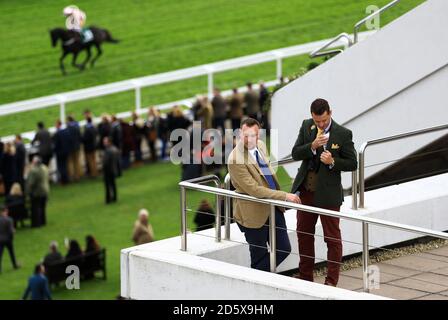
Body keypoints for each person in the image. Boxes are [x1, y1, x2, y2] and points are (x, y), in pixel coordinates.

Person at [291, 98, 357, 287]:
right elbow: (296, 153)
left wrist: (333, 162)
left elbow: (353, 163)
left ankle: (331, 281)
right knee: (303, 234)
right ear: (312, 116)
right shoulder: (306, 126)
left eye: (323, 121)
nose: (320, 124)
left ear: (330, 113)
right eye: (316, 121)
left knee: (332, 238)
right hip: (306, 192)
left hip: (329, 195)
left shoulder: (343, 133)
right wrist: (311, 146)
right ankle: (306, 278)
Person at [227, 118, 300, 272]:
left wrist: (278, 198)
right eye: (245, 135)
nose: (249, 139)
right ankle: (257, 282)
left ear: (258, 135)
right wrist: (284, 196)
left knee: (284, 249)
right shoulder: (235, 159)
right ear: (240, 133)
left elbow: (267, 176)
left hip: (273, 207)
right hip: (253, 214)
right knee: (259, 256)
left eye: (252, 135)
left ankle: (259, 277)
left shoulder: (260, 146)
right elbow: (254, 189)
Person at [26, 156, 50, 227]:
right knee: (43, 207)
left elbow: (31, 183)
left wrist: (28, 192)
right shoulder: (44, 167)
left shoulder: (34, 171)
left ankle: (36, 224)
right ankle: (43, 221)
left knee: (35, 208)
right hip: (45, 190)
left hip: (37, 192)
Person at [0, 205, 20, 273]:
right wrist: (13, 234)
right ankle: (15, 265)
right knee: (11, 253)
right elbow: (11, 231)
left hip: (0, 240)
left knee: (0, 254)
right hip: (8, 239)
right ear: (6, 211)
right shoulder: (9, 219)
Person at [102, 137, 120, 204]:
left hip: (108, 170)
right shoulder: (114, 149)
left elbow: (105, 162)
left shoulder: (108, 150)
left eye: (105, 142)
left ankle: (108, 199)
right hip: (113, 170)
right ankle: (114, 198)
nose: (104, 143)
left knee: (108, 186)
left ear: (109, 142)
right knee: (113, 185)